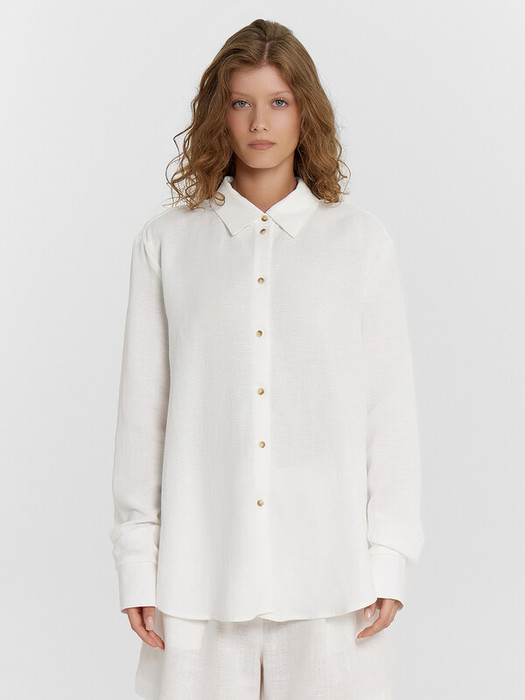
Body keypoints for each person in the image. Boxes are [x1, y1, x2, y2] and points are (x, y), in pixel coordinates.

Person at [109, 17, 424, 700]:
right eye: (240, 102)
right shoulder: (167, 244)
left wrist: (389, 559)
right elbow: (143, 417)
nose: (259, 122)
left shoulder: (359, 242)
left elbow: (388, 413)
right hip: (197, 579)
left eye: (278, 101)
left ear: (304, 112)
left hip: (333, 584)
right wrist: (138, 564)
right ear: (216, 114)